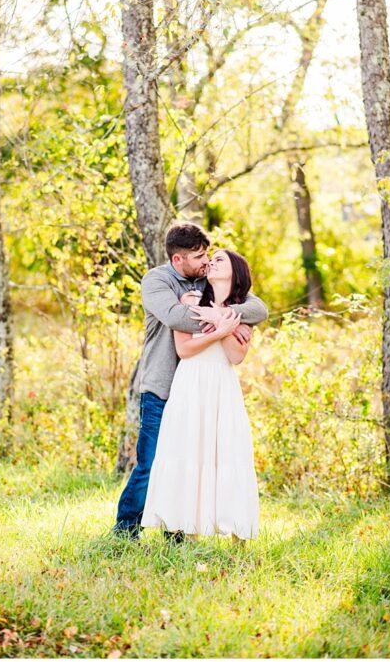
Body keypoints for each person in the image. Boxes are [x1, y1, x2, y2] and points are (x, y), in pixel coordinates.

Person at [113, 223, 267, 540]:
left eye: (208, 254)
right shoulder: (157, 281)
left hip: (199, 390)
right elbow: (176, 318)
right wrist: (223, 321)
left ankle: (178, 533)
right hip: (162, 386)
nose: (206, 261)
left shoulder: (205, 280)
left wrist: (225, 312)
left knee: (189, 461)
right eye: (199, 256)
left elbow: (258, 307)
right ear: (178, 260)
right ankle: (125, 530)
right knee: (153, 462)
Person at [142, 249, 260, 539]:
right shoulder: (190, 300)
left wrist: (224, 320)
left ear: (236, 272)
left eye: (220, 259)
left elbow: (236, 357)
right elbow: (184, 349)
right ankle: (186, 528)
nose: (211, 262)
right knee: (186, 450)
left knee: (228, 452)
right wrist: (220, 331)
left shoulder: (242, 311)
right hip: (189, 382)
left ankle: (235, 532)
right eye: (211, 257)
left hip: (222, 384)